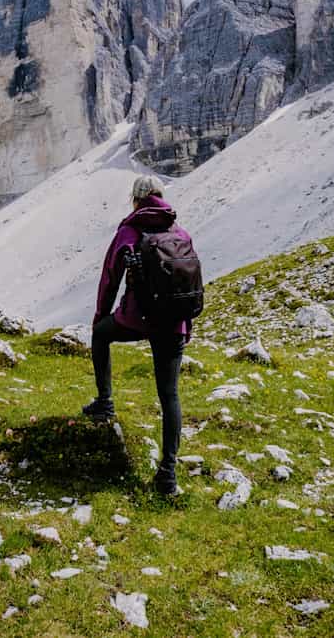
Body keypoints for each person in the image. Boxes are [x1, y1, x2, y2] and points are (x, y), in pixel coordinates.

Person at [84, 175, 192, 496]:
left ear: (135, 200)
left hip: (138, 319)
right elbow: (189, 284)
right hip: (174, 323)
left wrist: (101, 316)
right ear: (161, 197)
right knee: (169, 395)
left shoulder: (129, 232)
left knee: (101, 336)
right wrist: (186, 327)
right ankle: (168, 475)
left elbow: (109, 279)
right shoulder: (180, 232)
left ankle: (105, 403)